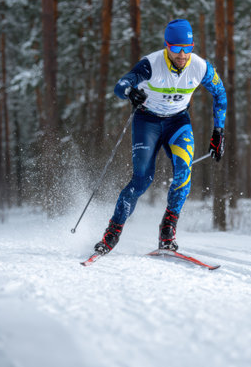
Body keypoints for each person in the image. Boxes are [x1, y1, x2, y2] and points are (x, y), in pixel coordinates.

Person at [94, 19, 227, 255]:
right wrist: (130, 92)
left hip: (178, 122)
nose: (182, 55)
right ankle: (112, 234)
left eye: (188, 48)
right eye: (176, 49)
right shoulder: (151, 64)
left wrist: (218, 131)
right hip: (148, 121)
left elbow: (220, 93)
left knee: (184, 172)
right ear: (167, 46)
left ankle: (168, 230)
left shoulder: (200, 67)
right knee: (142, 179)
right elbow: (121, 85)